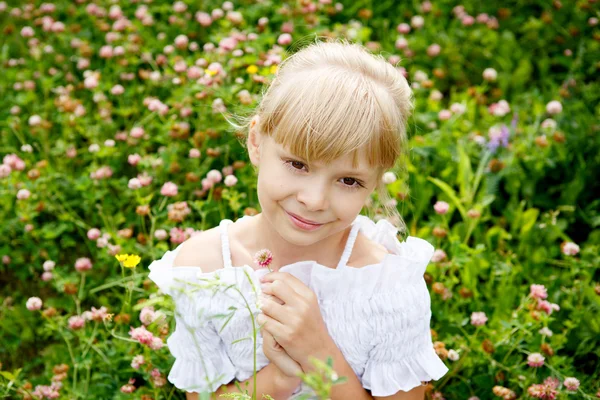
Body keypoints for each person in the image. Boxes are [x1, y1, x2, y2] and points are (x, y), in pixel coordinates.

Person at [148, 38, 449, 400]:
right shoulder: (204, 270)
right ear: (257, 141)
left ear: (375, 182)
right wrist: (280, 379)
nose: (313, 199)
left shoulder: (387, 287)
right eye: (298, 164)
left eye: (348, 180)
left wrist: (318, 353)